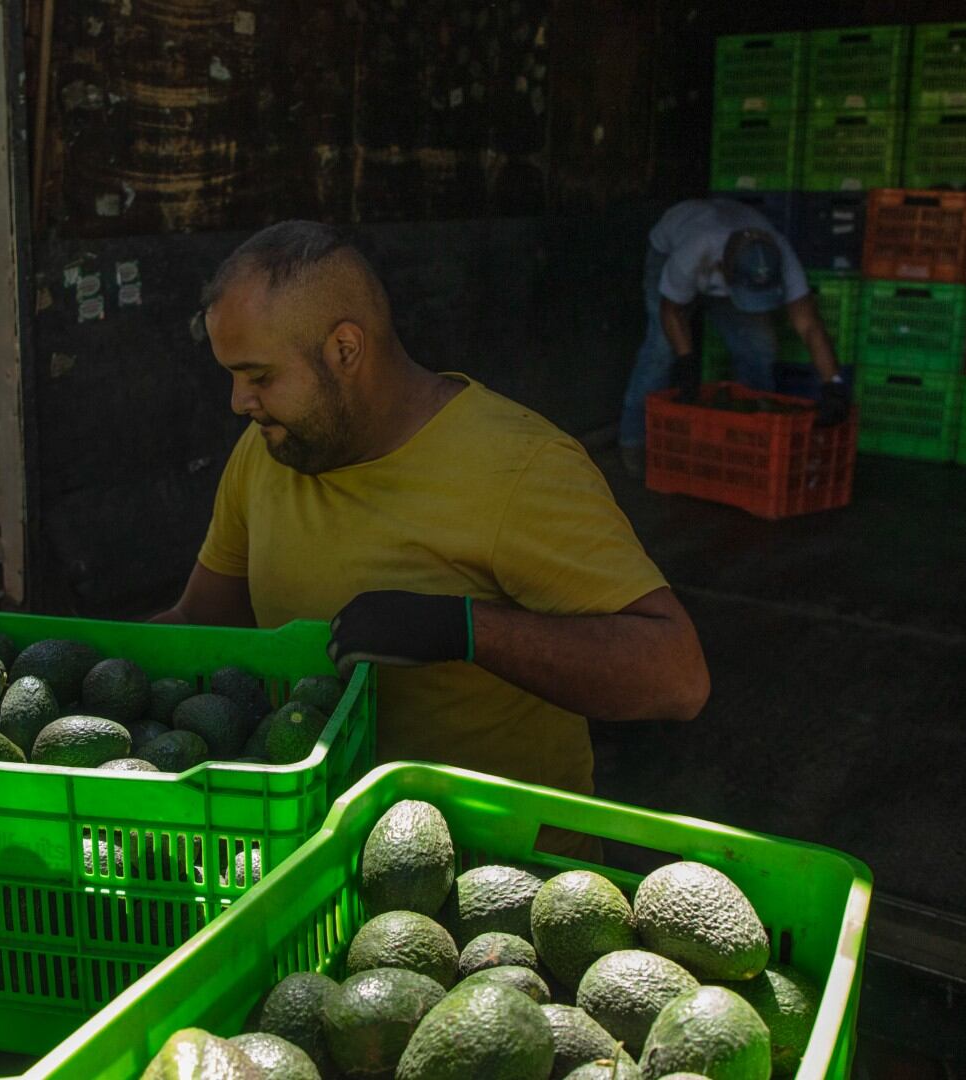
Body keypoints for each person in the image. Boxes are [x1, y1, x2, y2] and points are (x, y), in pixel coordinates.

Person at [155, 221, 710, 855]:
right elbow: (199, 621)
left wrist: (466, 629)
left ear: (344, 349)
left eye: (258, 375)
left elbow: (677, 677)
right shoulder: (267, 452)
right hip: (324, 854)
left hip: (503, 883)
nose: (237, 401)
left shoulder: (519, 467)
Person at [616, 198, 852, 476]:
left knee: (758, 349)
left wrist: (833, 384)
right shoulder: (695, 249)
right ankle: (634, 442)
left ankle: (753, 440)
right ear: (724, 271)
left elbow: (810, 325)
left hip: (728, 262)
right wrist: (686, 361)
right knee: (660, 351)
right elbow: (671, 311)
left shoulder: (781, 255)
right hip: (668, 252)